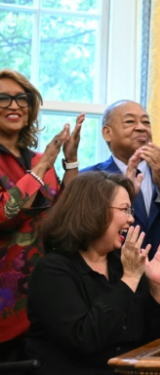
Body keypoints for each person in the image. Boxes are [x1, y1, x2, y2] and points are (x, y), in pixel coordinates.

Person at [26, 172, 160, 374]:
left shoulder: (124, 264)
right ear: (93, 212)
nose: (131, 219)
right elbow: (85, 339)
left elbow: (158, 344)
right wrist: (130, 279)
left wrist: (157, 286)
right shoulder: (52, 270)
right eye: (125, 210)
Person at [81, 100, 160, 334]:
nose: (141, 127)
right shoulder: (91, 178)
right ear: (107, 133)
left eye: (146, 122)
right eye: (130, 121)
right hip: (114, 287)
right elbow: (84, 231)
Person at [0, 68, 83, 363]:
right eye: (4, 98)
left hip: (49, 298)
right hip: (6, 308)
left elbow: (67, 216)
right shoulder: (41, 162)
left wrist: (70, 161)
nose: (14, 105)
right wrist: (44, 164)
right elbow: (5, 213)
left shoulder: (38, 159)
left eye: (21, 98)